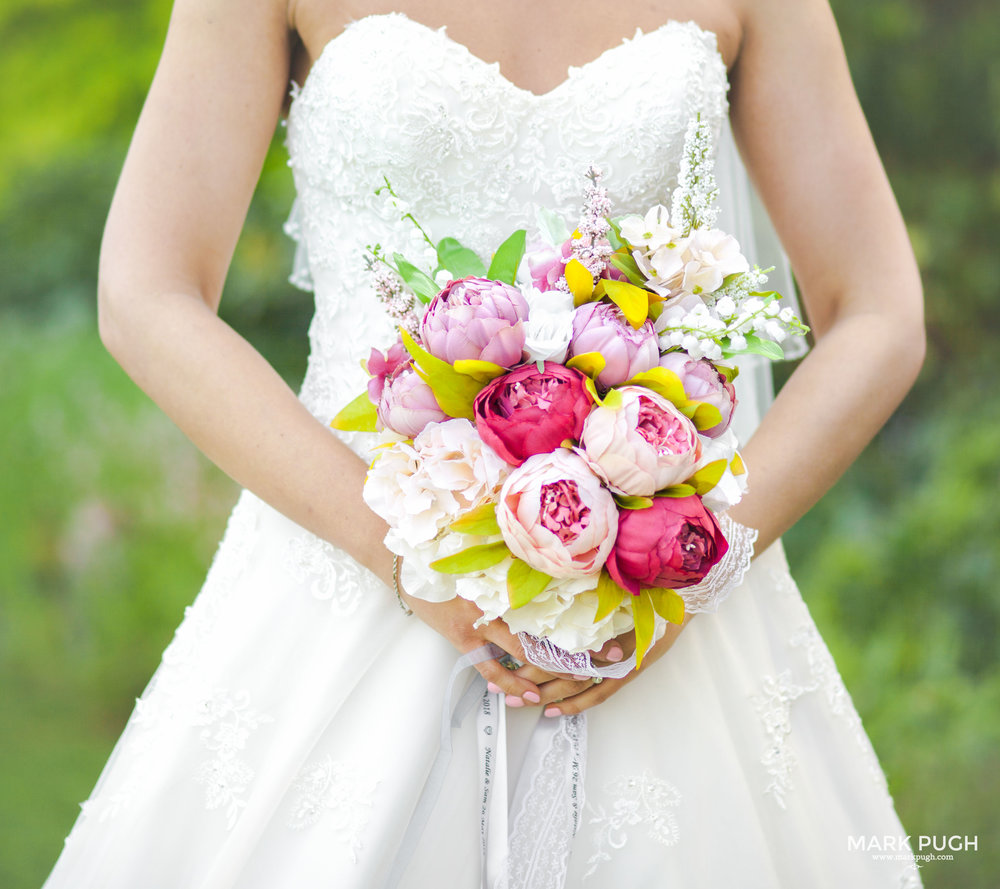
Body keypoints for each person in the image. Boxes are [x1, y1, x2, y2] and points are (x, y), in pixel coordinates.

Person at [44, 0, 926, 886]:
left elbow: (878, 312)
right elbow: (146, 291)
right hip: (344, 568)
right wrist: (404, 557)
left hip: (658, 607)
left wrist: (693, 565)